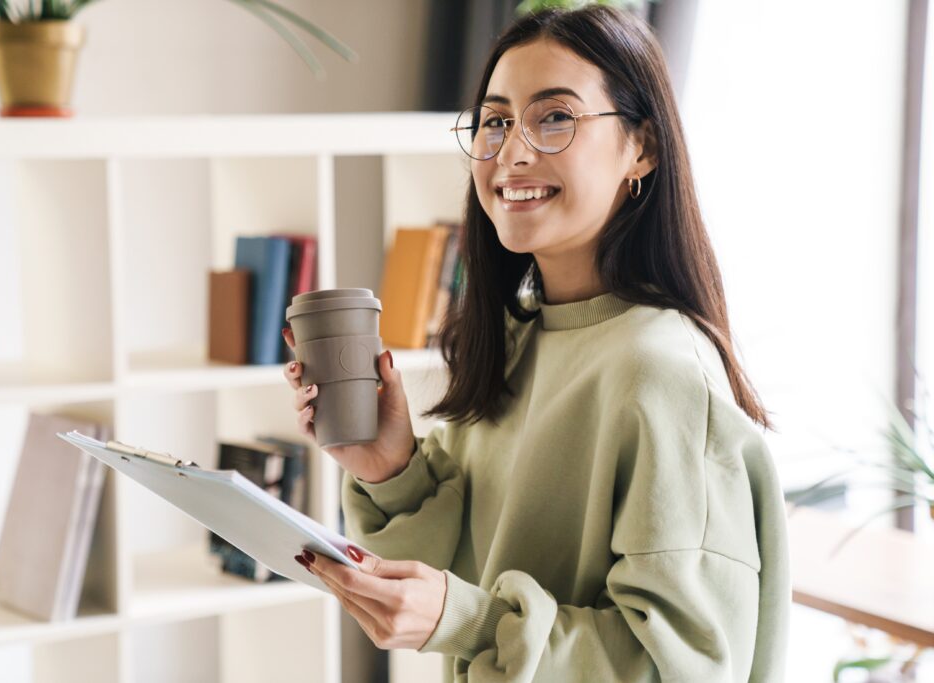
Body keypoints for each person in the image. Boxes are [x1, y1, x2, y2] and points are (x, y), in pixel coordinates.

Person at [281, 5, 790, 682]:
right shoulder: (516, 340)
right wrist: (391, 467)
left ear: (642, 146)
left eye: (554, 117)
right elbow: (463, 565)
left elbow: (679, 666)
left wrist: (466, 621)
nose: (513, 151)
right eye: (495, 121)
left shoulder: (661, 373)